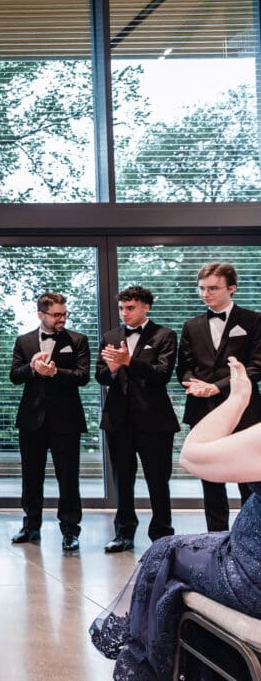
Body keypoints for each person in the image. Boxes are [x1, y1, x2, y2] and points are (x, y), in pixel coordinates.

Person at [90, 356, 261, 680]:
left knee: (166, 551)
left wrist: (237, 400)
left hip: (254, 575)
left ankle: (150, 668)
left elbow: (193, 455)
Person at [177, 262, 261, 532]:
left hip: (245, 410)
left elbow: (257, 365)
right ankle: (216, 537)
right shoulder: (191, 325)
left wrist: (218, 387)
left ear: (232, 288)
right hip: (203, 410)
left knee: (248, 478)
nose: (206, 293)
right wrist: (193, 385)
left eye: (213, 288)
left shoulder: (253, 320)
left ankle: (251, 535)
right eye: (202, 288)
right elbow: (184, 366)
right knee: (210, 481)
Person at [96, 286, 179, 553]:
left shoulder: (165, 335)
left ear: (146, 307)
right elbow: (100, 376)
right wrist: (110, 370)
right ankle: (123, 534)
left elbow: (162, 374)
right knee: (122, 478)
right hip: (118, 419)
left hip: (154, 419)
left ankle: (162, 534)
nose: (124, 313)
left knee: (157, 478)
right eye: (121, 308)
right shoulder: (110, 336)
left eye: (130, 308)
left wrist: (129, 361)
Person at [9, 292, 89, 552]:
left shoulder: (77, 340)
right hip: (32, 419)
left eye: (64, 314)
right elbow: (14, 377)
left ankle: (70, 531)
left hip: (66, 419)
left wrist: (56, 372)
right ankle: (31, 526)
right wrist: (31, 368)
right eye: (56, 315)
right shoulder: (24, 341)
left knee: (69, 478)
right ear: (41, 315)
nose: (61, 319)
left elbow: (83, 376)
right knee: (31, 476)